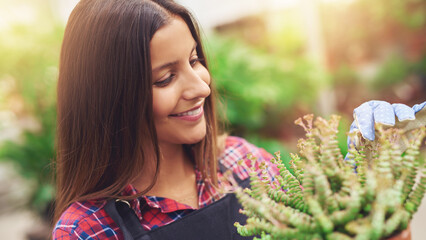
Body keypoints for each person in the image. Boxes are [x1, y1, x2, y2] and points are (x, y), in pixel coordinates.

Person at [52, 0, 425, 239]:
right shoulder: (87, 229)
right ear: (109, 98)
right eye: (165, 77)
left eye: (195, 61)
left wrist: (376, 204)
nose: (200, 86)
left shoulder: (240, 161)